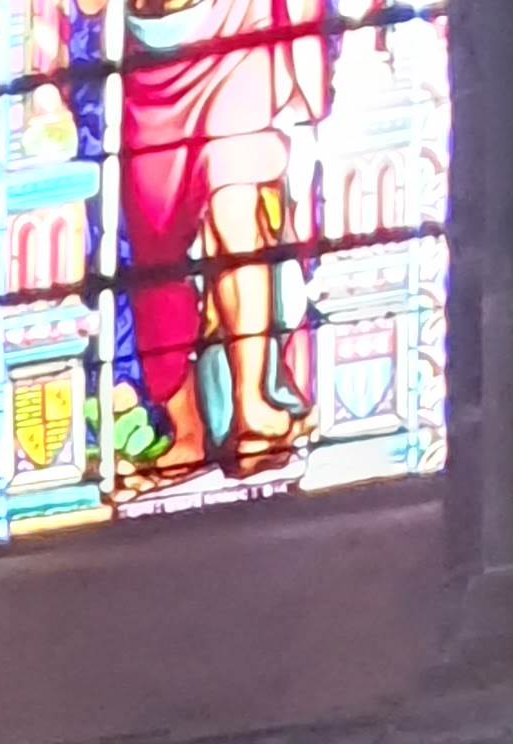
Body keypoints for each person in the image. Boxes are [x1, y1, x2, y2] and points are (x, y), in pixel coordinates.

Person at [108, 0, 340, 483]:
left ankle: (252, 410)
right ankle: (185, 428)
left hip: (238, 21)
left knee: (235, 209)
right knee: (157, 253)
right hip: (150, 49)